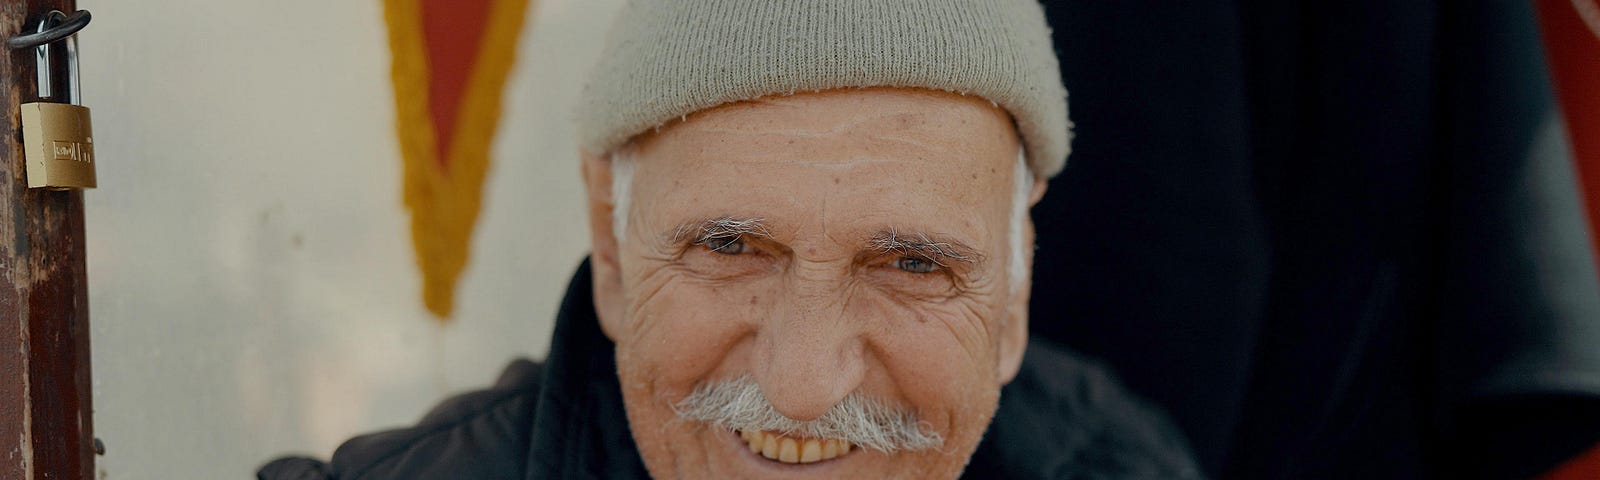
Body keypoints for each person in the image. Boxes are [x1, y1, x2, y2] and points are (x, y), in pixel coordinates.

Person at [260, 1, 1203, 478]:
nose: (801, 385)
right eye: (729, 249)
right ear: (614, 246)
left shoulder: (1116, 462)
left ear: (1016, 294)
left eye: (912, 264)